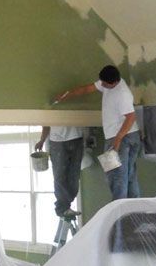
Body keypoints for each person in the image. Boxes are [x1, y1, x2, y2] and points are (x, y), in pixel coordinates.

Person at [52, 65, 140, 200]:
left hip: (122, 137)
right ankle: (132, 209)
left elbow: (131, 117)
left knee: (116, 175)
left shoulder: (122, 93)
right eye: (102, 82)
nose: (102, 86)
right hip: (124, 136)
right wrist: (67, 95)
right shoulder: (108, 81)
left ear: (114, 82)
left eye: (105, 84)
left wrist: (117, 141)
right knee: (128, 175)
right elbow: (87, 89)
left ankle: (118, 213)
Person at [35, 124, 84, 219]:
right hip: (57, 140)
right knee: (60, 176)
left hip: (76, 137)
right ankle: (62, 208)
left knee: (74, 175)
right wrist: (42, 140)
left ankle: (65, 205)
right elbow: (46, 122)